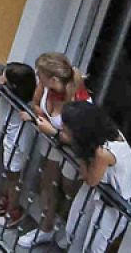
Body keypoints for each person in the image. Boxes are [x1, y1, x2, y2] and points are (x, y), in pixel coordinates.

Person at [17, 51, 91, 248]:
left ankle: (69, 231)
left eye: (39, 74)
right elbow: (36, 102)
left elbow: (74, 138)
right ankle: (46, 228)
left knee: (69, 188)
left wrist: (51, 130)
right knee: (47, 181)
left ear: (54, 78)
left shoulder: (77, 100)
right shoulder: (47, 84)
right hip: (52, 140)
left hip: (74, 149)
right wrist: (36, 113)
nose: (37, 76)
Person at [55, 102, 131, 253]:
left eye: (67, 129)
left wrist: (76, 148)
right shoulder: (104, 133)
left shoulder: (104, 153)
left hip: (114, 205)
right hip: (100, 191)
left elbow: (90, 179)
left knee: (94, 248)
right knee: (73, 230)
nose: (62, 130)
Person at [0, 61, 39, 230]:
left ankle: (13, 212)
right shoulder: (17, 96)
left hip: (17, 142)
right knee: (8, 172)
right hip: (12, 138)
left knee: (13, 176)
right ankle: (4, 202)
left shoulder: (26, 104)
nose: (1, 76)